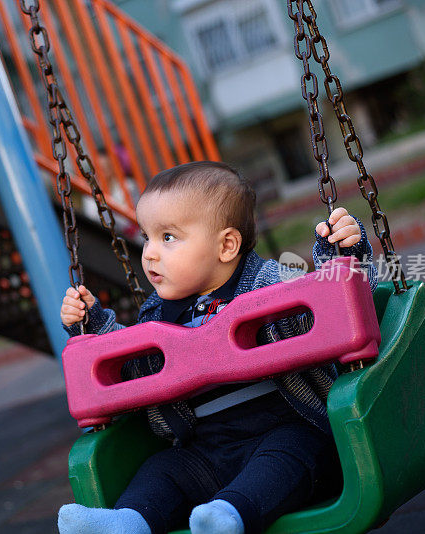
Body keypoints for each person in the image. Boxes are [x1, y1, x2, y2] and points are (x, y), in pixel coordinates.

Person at [57, 161, 377, 534]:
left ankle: (227, 518)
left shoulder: (270, 286)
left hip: (287, 428)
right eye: (147, 237)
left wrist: (341, 258)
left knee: (285, 459)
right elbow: (130, 369)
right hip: (204, 448)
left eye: (168, 238)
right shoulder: (157, 316)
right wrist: (94, 326)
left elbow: (331, 308)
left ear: (226, 245)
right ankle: (128, 523)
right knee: (163, 471)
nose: (149, 254)